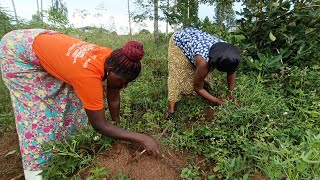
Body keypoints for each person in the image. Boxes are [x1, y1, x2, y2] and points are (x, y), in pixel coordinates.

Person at [0, 29, 160, 180]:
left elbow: (113, 93)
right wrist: (141, 138)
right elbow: (100, 126)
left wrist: (118, 126)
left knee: (73, 97)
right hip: (16, 51)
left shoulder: (111, 59)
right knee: (37, 117)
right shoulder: (88, 75)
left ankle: (65, 148)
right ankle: (36, 173)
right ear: (111, 71)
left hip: (44, 40)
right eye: (123, 81)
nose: (124, 86)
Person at [165, 27, 240, 121]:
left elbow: (232, 71)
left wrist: (231, 94)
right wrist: (217, 101)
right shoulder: (203, 62)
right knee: (179, 75)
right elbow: (198, 88)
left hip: (195, 41)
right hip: (179, 40)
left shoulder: (228, 54)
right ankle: (170, 111)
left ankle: (198, 86)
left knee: (199, 76)